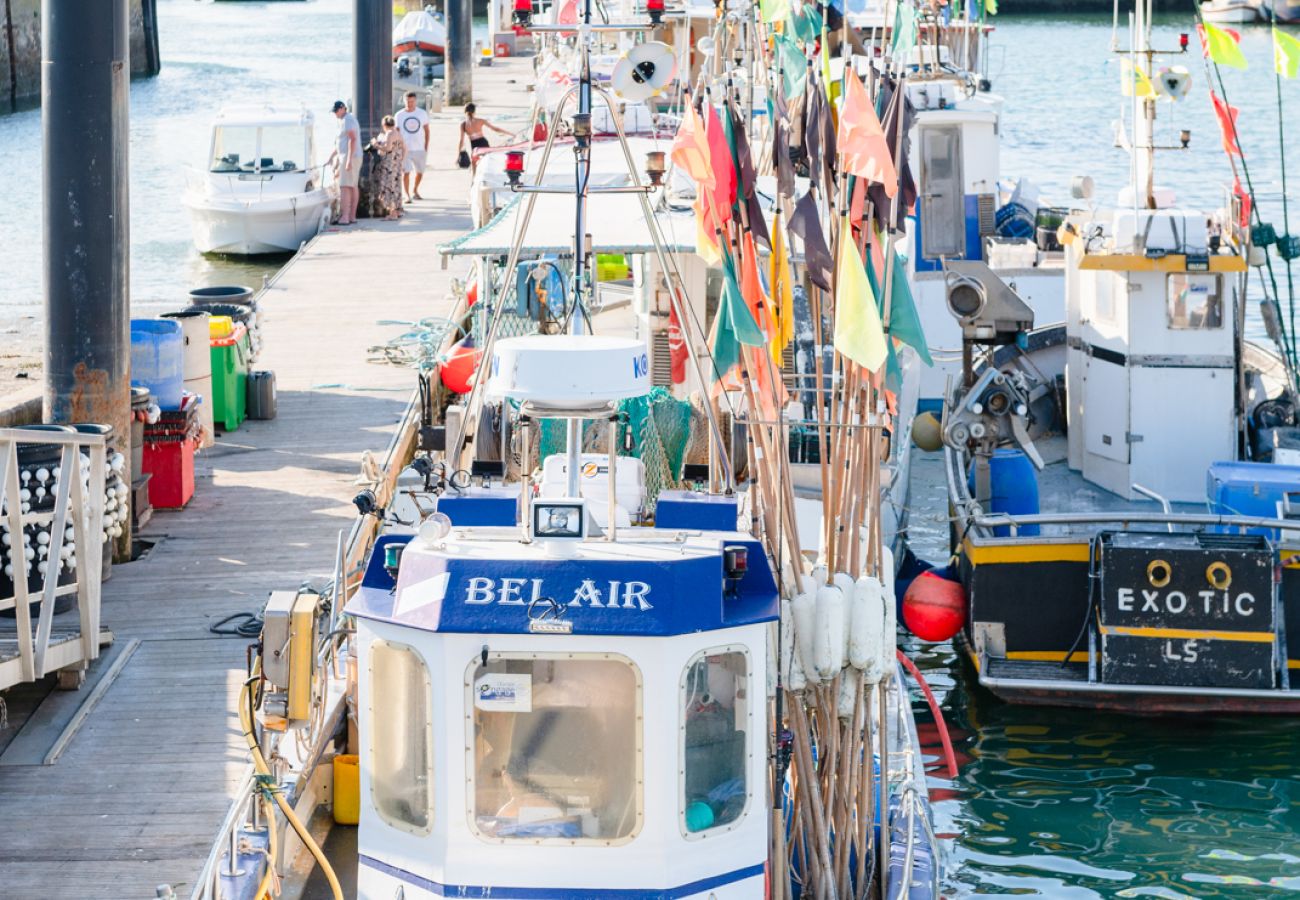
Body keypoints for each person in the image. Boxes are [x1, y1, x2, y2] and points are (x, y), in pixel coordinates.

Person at [327, 100, 361, 225]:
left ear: (342, 108)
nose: (335, 114)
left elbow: (352, 139)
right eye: (334, 112)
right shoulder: (343, 120)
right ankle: (351, 216)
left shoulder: (348, 120)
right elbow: (340, 142)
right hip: (348, 156)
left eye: (336, 111)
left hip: (350, 156)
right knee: (351, 185)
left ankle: (346, 217)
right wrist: (331, 157)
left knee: (345, 186)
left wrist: (348, 160)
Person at [394, 90, 430, 202]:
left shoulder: (422, 113)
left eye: (412, 101)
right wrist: (398, 148)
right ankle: (407, 195)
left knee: (420, 172)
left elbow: (427, 130)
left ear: (416, 101)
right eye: (408, 101)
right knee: (406, 172)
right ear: (404, 101)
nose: (410, 104)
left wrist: (426, 146)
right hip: (405, 149)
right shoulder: (399, 115)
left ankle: (415, 190)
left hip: (419, 148)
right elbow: (397, 132)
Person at [372, 116, 407, 220]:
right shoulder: (398, 133)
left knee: (388, 188)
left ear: (384, 125)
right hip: (397, 165)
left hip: (389, 166)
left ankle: (392, 214)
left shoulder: (389, 133)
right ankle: (397, 211)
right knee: (396, 187)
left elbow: (387, 148)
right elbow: (405, 149)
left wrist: (376, 145)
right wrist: (401, 161)